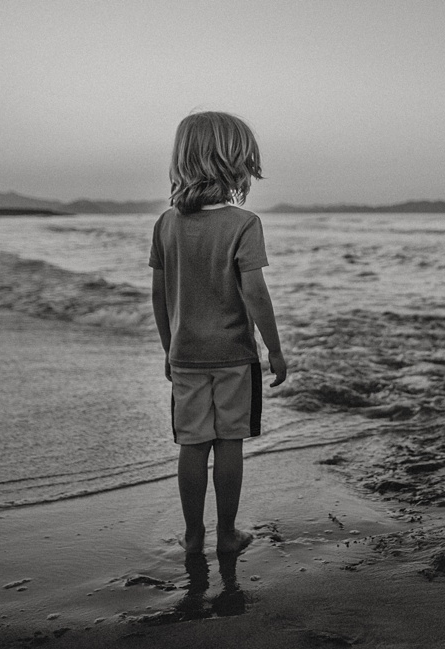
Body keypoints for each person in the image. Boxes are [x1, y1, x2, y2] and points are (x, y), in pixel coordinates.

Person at [149, 111, 288, 556]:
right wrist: (275, 350)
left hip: (185, 356)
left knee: (192, 446)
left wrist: (169, 348)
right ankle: (225, 534)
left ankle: (193, 538)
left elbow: (158, 294)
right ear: (235, 163)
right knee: (229, 442)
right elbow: (256, 294)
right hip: (233, 356)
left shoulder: (166, 224)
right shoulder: (243, 224)